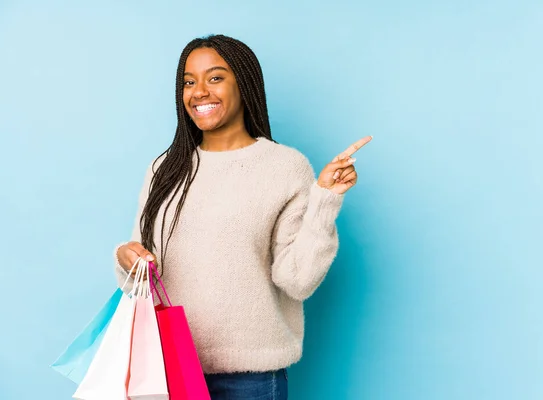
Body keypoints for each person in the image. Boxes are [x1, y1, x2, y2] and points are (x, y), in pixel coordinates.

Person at [114, 34, 371, 400]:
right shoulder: (164, 169)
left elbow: (297, 280)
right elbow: (140, 275)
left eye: (215, 77)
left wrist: (325, 199)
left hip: (249, 378)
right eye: (189, 81)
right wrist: (128, 258)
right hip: (163, 368)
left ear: (244, 84)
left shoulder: (284, 167)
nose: (199, 91)